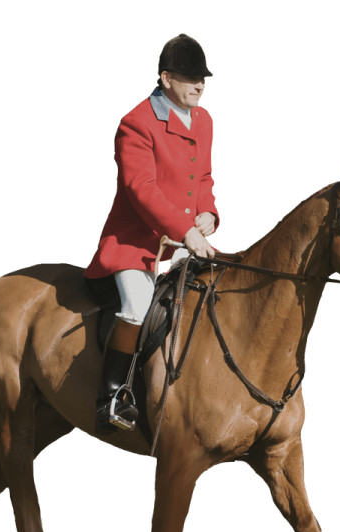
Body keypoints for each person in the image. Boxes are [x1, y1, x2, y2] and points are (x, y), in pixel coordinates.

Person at [84, 34, 220, 434]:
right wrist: (184, 231)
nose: (200, 86)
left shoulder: (204, 120)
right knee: (138, 306)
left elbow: (204, 178)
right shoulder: (136, 123)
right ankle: (112, 397)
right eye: (191, 78)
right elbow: (141, 190)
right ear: (166, 78)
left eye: (203, 79)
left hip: (186, 239)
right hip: (136, 244)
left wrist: (209, 213)